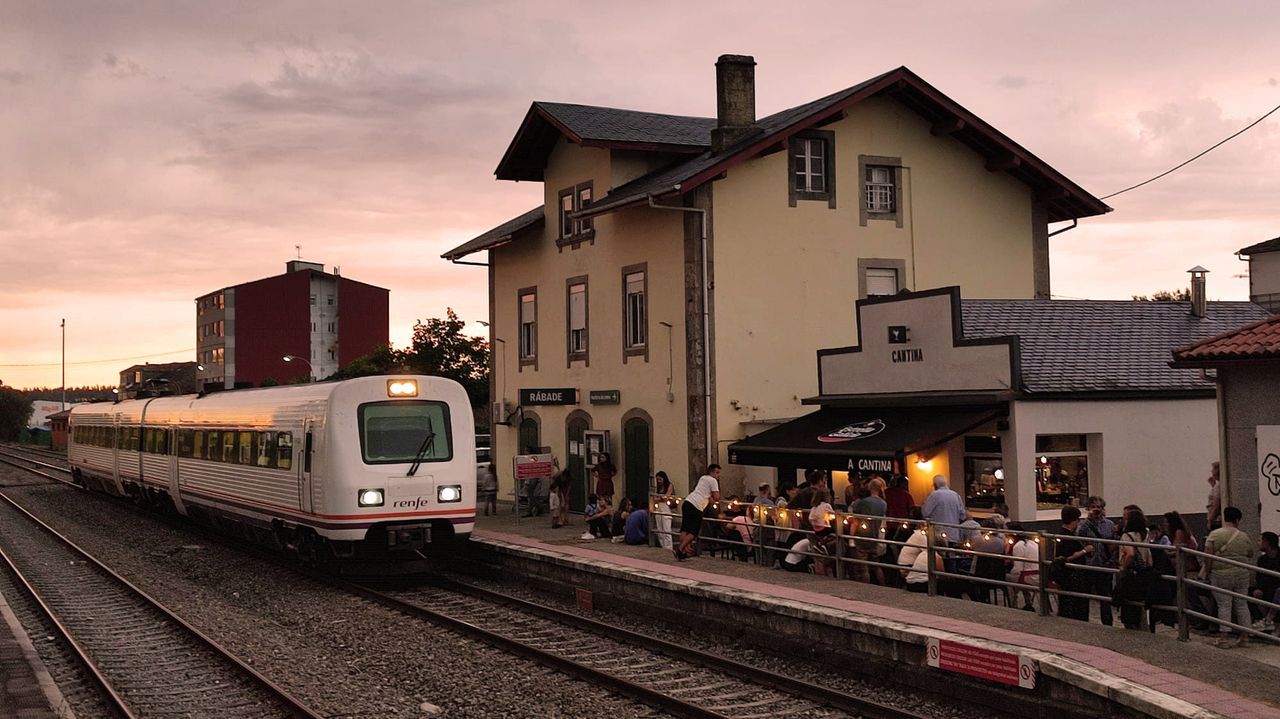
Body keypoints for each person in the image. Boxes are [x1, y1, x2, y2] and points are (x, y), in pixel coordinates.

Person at [1202, 506, 1254, 647]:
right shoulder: (1244, 536)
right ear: (1237, 520)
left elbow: (1208, 553)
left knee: (1224, 605)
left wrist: (1208, 569)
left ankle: (1224, 638)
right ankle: (1245, 638)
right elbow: (1250, 553)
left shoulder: (1214, 535)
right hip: (1242, 573)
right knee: (1242, 604)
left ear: (1224, 517)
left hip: (1220, 574)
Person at [1075, 496, 1117, 626]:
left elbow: (1113, 543)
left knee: (1105, 596)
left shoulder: (1109, 524)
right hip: (1089, 564)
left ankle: (1107, 622)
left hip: (1104, 564)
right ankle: (1084, 621)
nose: (1096, 510)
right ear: (1088, 509)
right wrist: (1089, 520)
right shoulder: (1083, 524)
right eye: (1093, 507)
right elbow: (1078, 536)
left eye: (1099, 507)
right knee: (1085, 594)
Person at [1114, 508, 1153, 630]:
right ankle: (1142, 627)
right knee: (1140, 605)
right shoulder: (1145, 534)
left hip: (1130, 574)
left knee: (1128, 605)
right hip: (1143, 572)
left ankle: (1132, 629)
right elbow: (1149, 557)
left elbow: (1130, 554)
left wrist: (1124, 568)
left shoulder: (1127, 536)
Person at [677, 464, 721, 560]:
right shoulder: (713, 481)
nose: (719, 475)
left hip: (688, 501)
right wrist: (713, 498)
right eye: (717, 473)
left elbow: (704, 492)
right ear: (712, 472)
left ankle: (683, 549)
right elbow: (717, 497)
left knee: (685, 528)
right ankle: (680, 549)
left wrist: (709, 497)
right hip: (696, 506)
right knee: (694, 531)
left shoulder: (703, 478)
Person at [1053, 506, 1090, 621]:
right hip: (1072, 575)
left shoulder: (1061, 534)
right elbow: (1068, 556)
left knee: (1067, 600)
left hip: (1067, 575)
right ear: (1073, 520)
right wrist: (1085, 551)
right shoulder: (1067, 536)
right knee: (1076, 602)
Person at [850, 478, 888, 584]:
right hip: (875, 535)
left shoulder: (862, 503)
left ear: (870, 487)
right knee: (876, 565)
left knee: (863, 567)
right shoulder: (883, 504)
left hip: (862, 535)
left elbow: (855, 519)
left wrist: (851, 536)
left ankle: (866, 588)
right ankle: (883, 585)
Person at [1250, 532, 1280, 630]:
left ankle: (1269, 620)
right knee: (1247, 592)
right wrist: (1259, 588)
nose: (1258, 543)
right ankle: (1260, 619)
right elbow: (1259, 577)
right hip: (1267, 587)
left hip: (1276, 588)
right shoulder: (1262, 559)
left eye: (1260, 540)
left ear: (1267, 543)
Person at [1006, 526, 1040, 611]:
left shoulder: (1018, 546)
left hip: (1027, 577)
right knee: (1021, 576)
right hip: (1038, 574)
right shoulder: (1033, 543)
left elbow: (1018, 569)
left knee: (1008, 577)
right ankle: (1028, 602)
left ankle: (1013, 604)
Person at [653, 472, 675, 551]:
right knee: (660, 529)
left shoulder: (669, 485)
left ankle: (669, 548)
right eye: (657, 479)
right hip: (659, 507)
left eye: (660, 479)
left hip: (665, 507)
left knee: (666, 529)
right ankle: (663, 547)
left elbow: (666, 497)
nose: (659, 481)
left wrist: (659, 499)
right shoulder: (658, 488)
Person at [1205, 461, 1222, 531]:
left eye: (1213, 469)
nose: (1211, 471)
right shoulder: (1218, 485)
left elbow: (1216, 505)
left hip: (1216, 520)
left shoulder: (1218, 486)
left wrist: (1210, 520)